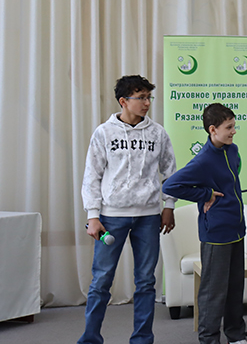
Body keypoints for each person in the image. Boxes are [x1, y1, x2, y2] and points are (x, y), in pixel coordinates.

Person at [79, 75, 177, 344]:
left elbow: (170, 172)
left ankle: (142, 340)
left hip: (149, 217)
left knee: (146, 282)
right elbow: (92, 176)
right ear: (123, 101)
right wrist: (93, 215)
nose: (147, 103)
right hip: (111, 217)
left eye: (148, 97)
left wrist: (168, 205)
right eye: (141, 97)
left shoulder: (158, 133)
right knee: (101, 281)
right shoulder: (104, 133)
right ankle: (90, 339)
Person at [162, 103, 247, 344]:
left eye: (234, 126)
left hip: (237, 230)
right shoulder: (203, 160)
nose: (233, 131)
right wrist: (205, 194)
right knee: (213, 291)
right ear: (212, 129)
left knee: (235, 288)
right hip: (216, 234)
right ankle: (209, 339)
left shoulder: (233, 150)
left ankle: (236, 335)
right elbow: (170, 186)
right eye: (229, 127)